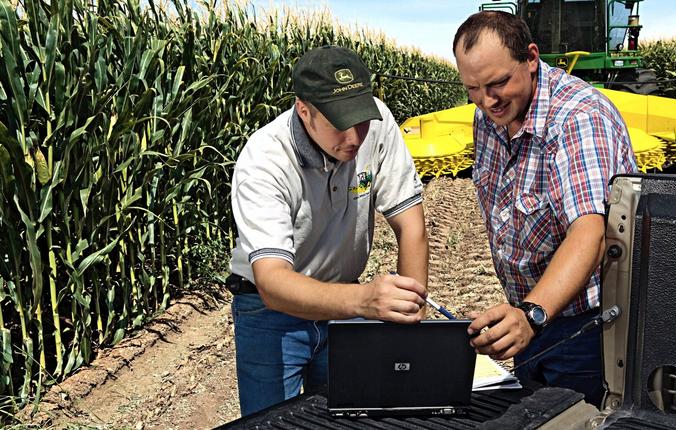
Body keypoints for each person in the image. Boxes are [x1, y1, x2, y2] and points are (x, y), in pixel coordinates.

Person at [228, 45, 429, 416]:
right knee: (274, 422)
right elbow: (272, 282)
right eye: (339, 122)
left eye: (361, 119)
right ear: (304, 111)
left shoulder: (378, 125)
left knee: (350, 417)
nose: (354, 137)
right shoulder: (266, 161)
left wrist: (409, 320)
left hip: (343, 305)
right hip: (272, 314)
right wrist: (366, 302)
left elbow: (410, 222)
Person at [452, 11, 637, 407]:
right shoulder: (489, 116)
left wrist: (532, 314)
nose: (487, 101)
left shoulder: (579, 119)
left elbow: (591, 230)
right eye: (473, 88)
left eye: (499, 83)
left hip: (586, 329)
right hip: (533, 319)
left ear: (532, 57)